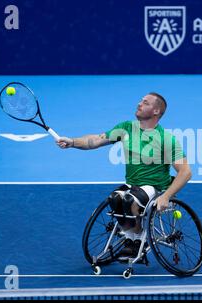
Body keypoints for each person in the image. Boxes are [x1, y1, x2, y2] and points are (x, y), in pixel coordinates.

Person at [56, 92, 191, 257]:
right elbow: (97, 140)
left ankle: (138, 239)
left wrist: (166, 196)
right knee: (115, 198)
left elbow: (185, 172)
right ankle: (131, 238)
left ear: (156, 111)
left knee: (129, 200)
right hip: (133, 185)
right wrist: (73, 142)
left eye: (145, 102)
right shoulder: (126, 128)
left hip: (155, 188)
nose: (139, 104)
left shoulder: (166, 139)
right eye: (140, 100)